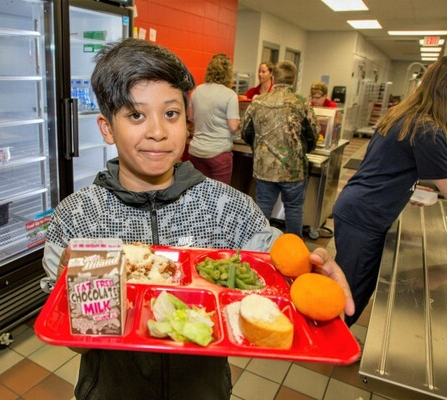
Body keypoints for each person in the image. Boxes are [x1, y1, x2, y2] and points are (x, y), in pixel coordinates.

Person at [41, 38, 354, 400]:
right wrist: (73, 297)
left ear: (187, 122)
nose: (158, 131)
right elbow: (76, 343)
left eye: (170, 114)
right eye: (136, 115)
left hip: (204, 390)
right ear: (107, 127)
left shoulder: (227, 206)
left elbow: (275, 258)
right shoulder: (76, 218)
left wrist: (310, 271)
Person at [333, 55, 447, 327]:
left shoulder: (404, 115)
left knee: (348, 281)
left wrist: (410, 186)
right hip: (365, 216)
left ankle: (333, 333)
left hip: (355, 205)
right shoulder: (428, 128)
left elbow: (389, 165)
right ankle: (333, 343)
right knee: (352, 289)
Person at [242, 61, 320, 238]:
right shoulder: (301, 102)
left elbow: (246, 131)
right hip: (294, 169)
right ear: (293, 80)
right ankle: (294, 251)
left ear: (273, 77)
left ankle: (258, 249)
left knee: (262, 211)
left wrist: (259, 149)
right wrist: (302, 149)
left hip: (264, 168)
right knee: (293, 209)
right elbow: (313, 133)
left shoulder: (258, 102)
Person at [187, 53, 240, 184]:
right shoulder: (230, 95)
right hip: (219, 153)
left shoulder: (197, 91)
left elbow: (190, 117)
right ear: (228, 73)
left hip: (196, 151)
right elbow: (233, 127)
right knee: (219, 197)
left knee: (198, 192)